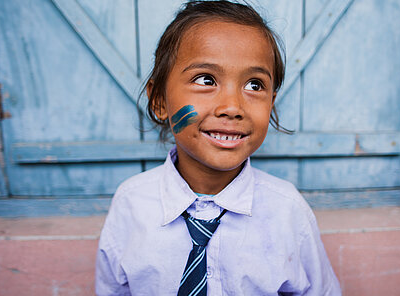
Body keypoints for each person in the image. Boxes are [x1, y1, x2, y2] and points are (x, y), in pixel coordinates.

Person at [95, 1, 341, 295]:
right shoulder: (131, 203)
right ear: (159, 100)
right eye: (206, 80)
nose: (232, 107)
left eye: (254, 85)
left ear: (271, 103)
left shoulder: (287, 210)